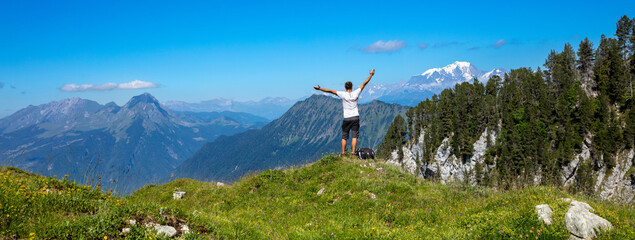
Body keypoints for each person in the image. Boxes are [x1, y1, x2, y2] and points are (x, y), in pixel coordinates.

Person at [313, 69, 375, 157]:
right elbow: (365, 83)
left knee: (344, 136)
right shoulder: (356, 93)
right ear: (352, 87)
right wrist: (371, 75)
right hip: (355, 117)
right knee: (354, 136)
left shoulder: (342, 94)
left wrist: (320, 89)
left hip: (347, 118)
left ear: (345, 87)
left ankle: (343, 153)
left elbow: (330, 91)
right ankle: (353, 154)